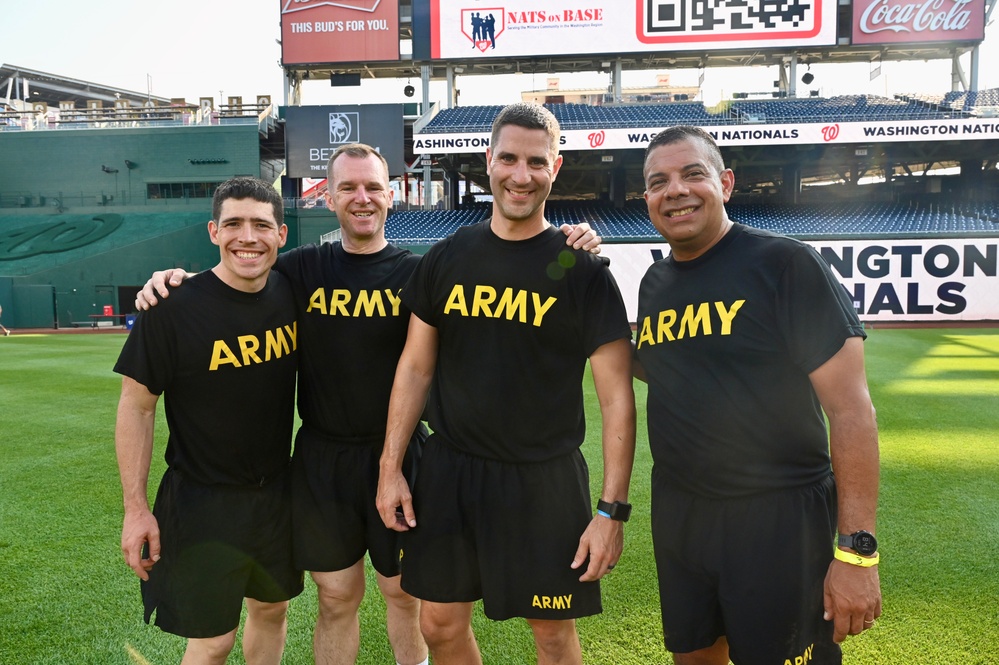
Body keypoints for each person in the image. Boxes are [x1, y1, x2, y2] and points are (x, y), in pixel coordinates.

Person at [135, 144, 602, 665]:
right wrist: (175, 281)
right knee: (337, 598)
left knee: (405, 595)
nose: (362, 198)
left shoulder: (422, 272)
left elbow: (503, 288)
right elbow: (243, 267)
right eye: (349, 188)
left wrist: (572, 239)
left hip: (403, 457)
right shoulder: (301, 269)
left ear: (391, 193)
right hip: (321, 460)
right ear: (329, 197)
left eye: (374, 187)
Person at [375, 103, 636, 665]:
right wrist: (391, 467)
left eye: (536, 162)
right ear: (488, 161)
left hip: (543, 480)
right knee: (439, 624)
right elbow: (416, 367)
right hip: (452, 469)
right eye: (510, 159)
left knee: (551, 634)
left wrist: (611, 512)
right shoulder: (446, 257)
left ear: (556, 168)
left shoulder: (581, 269)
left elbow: (617, 399)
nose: (522, 175)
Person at [634, 126, 882, 665]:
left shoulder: (785, 264)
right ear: (647, 198)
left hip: (779, 517)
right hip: (682, 514)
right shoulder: (655, 284)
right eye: (658, 182)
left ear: (725, 183)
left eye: (692, 174)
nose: (674, 190)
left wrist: (857, 553)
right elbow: (669, 367)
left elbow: (852, 410)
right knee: (694, 656)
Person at [114, 177, 302, 665]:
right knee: (213, 640)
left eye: (261, 225)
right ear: (213, 231)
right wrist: (135, 509)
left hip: (276, 494)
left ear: (281, 234)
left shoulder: (289, 292)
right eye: (234, 223)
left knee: (273, 609)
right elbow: (136, 405)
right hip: (202, 500)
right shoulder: (171, 308)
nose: (248, 237)